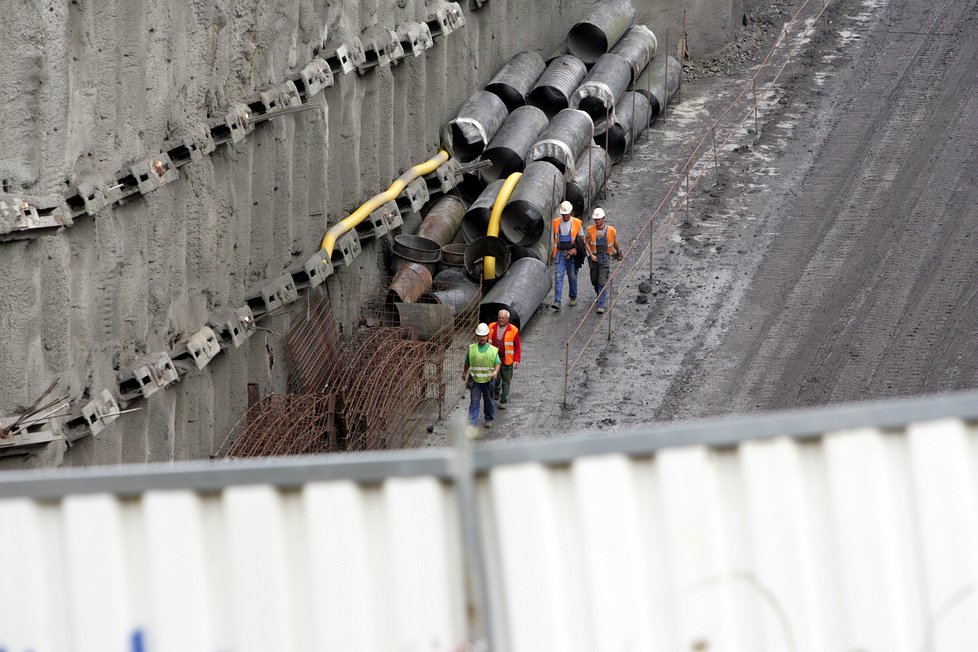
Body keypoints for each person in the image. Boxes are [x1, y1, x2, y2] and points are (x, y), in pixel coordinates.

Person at [461, 322, 501, 428]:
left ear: (487, 336)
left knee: (489, 402)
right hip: (475, 380)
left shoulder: (493, 350)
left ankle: (489, 418)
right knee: (474, 402)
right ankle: (471, 423)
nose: (481, 338)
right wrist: (464, 372)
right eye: (480, 336)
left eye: (483, 336)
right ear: (477, 336)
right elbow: (467, 362)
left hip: (488, 381)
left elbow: (497, 363)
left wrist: (495, 372)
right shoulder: (472, 348)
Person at [585, 207, 623, 314]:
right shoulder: (590, 229)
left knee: (602, 280)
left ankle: (601, 304)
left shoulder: (611, 231)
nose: (597, 221)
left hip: (605, 258)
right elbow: (587, 243)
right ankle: (599, 294)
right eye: (595, 219)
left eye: (598, 219)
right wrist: (591, 255)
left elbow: (614, 243)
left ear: (603, 218)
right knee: (594, 279)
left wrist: (619, 252)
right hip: (593, 259)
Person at [551, 200, 584, 310]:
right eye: (563, 214)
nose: (565, 216)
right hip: (560, 254)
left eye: (566, 213)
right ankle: (557, 301)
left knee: (572, 276)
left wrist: (575, 249)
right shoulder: (556, 223)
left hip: (572, 254)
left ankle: (573, 296)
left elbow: (581, 239)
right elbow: (554, 239)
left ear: (571, 212)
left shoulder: (577, 223)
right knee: (558, 276)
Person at [488, 309, 521, 408]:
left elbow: (517, 346)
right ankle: (497, 391)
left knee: (506, 381)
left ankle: (504, 400)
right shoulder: (491, 327)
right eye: (499, 317)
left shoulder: (513, 330)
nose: (500, 319)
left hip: (507, 360)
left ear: (507, 319)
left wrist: (516, 360)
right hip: (494, 359)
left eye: (503, 318)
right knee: (496, 378)